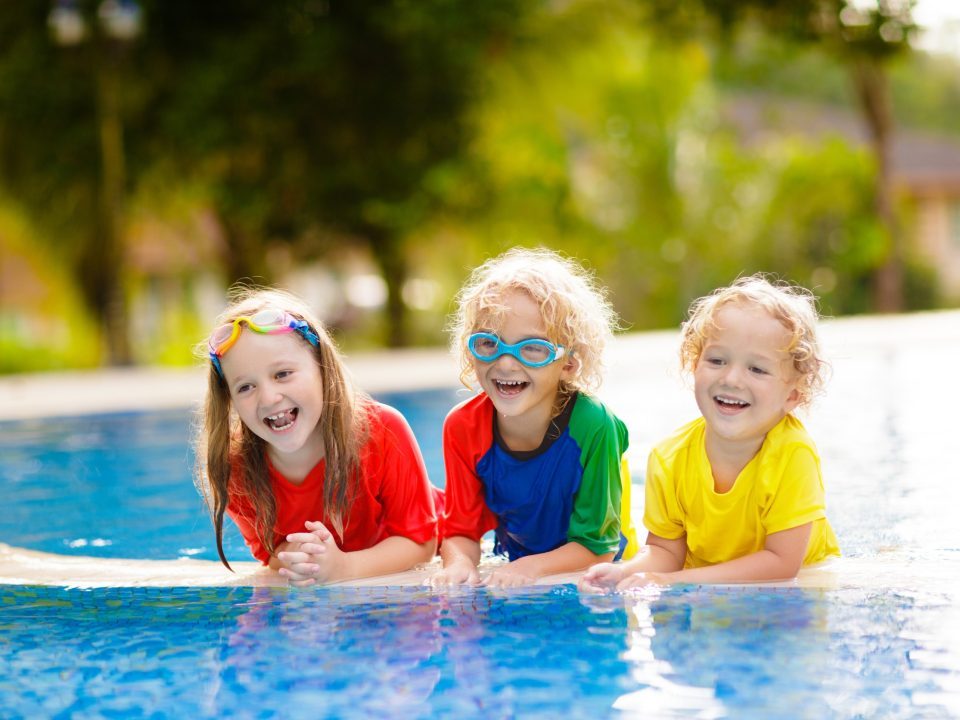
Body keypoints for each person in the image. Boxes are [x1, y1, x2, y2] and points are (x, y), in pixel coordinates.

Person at [580, 274, 840, 593]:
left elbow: (782, 565)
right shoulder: (669, 458)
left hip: (797, 593)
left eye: (757, 369)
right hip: (710, 589)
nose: (731, 378)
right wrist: (623, 572)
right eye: (717, 360)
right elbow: (665, 553)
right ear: (694, 364)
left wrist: (673, 581)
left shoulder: (792, 454)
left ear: (792, 396)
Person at [194, 286, 440, 586]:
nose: (269, 397)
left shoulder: (382, 430)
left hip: (438, 541)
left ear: (323, 368)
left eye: (282, 374)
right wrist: (299, 554)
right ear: (229, 399)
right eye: (246, 387)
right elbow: (269, 553)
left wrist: (344, 568)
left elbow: (421, 543)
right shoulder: (234, 467)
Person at [428, 247, 638, 588]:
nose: (507, 363)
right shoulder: (462, 427)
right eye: (489, 344)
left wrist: (531, 568)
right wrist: (459, 563)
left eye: (533, 349)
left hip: (600, 575)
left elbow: (600, 549)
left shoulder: (594, 425)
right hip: (518, 567)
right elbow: (460, 532)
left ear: (568, 362)